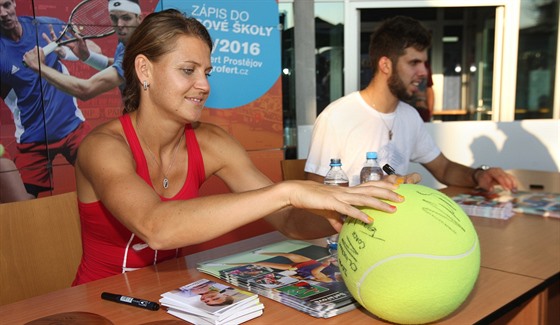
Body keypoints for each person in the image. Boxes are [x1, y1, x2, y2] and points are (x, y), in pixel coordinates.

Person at [71, 9, 404, 286]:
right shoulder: (102, 147)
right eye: (188, 71)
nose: (203, 85)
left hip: (170, 295)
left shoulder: (212, 142)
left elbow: (289, 221)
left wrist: (357, 206)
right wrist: (286, 191)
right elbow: (157, 227)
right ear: (144, 70)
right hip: (99, 304)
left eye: (206, 72)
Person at [305, 16, 517, 191]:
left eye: (424, 63)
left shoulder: (409, 115)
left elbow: (443, 169)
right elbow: (314, 195)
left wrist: (479, 174)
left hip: (393, 228)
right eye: (414, 62)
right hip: (348, 237)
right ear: (385, 65)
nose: (424, 72)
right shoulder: (337, 117)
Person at [0, 0, 91, 197]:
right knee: (24, 208)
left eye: (6, 4)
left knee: (103, 178)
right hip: (33, 140)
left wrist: (84, 53)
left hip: (72, 127)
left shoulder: (44, 25)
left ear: (14, 3)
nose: (3, 13)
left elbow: (90, 52)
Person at [22, 0, 143, 100]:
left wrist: (39, 67)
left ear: (139, 18)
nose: (119, 24)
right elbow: (118, 66)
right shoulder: (127, 41)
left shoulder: (139, 51)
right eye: (114, 18)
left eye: (126, 18)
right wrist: (87, 57)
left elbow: (85, 90)